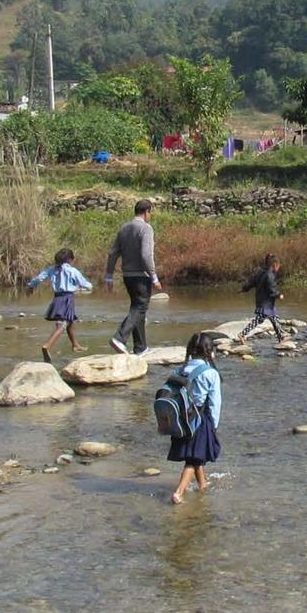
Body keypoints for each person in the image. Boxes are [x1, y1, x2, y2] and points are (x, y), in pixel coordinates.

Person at [167, 333, 223, 506]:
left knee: (195, 455)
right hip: (199, 419)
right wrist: (214, 424)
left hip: (180, 418)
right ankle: (179, 492)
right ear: (209, 351)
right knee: (193, 459)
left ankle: (203, 485)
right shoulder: (210, 373)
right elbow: (215, 402)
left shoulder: (181, 370)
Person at [103, 199, 161, 354]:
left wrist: (109, 276)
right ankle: (120, 338)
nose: (151, 215)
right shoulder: (146, 228)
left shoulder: (124, 228)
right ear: (147, 211)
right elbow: (146, 255)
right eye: (151, 212)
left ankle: (140, 347)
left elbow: (113, 253)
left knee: (137, 308)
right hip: (141, 276)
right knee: (140, 307)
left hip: (127, 276)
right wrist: (154, 276)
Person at [27, 248, 94, 362]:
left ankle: (75, 345)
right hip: (67, 298)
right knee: (62, 325)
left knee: (70, 321)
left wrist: (30, 286)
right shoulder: (72, 271)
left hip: (57, 297)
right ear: (70, 260)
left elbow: (39, 278)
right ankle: (47, 345)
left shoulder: (52, 269)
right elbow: (84, 284)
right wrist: (90, 286)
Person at [241, 254, 285, 340]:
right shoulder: (270, 275)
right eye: (279, 266)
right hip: (265, 302)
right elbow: (271, 288)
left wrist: (245, 288)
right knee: (260, 319)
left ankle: (281, 336)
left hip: (262, 300)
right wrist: (279, 295)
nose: (278, 268)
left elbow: (251, 282)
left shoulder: (260, 272)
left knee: (274, 317)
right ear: (275, 265)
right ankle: (243, 334)